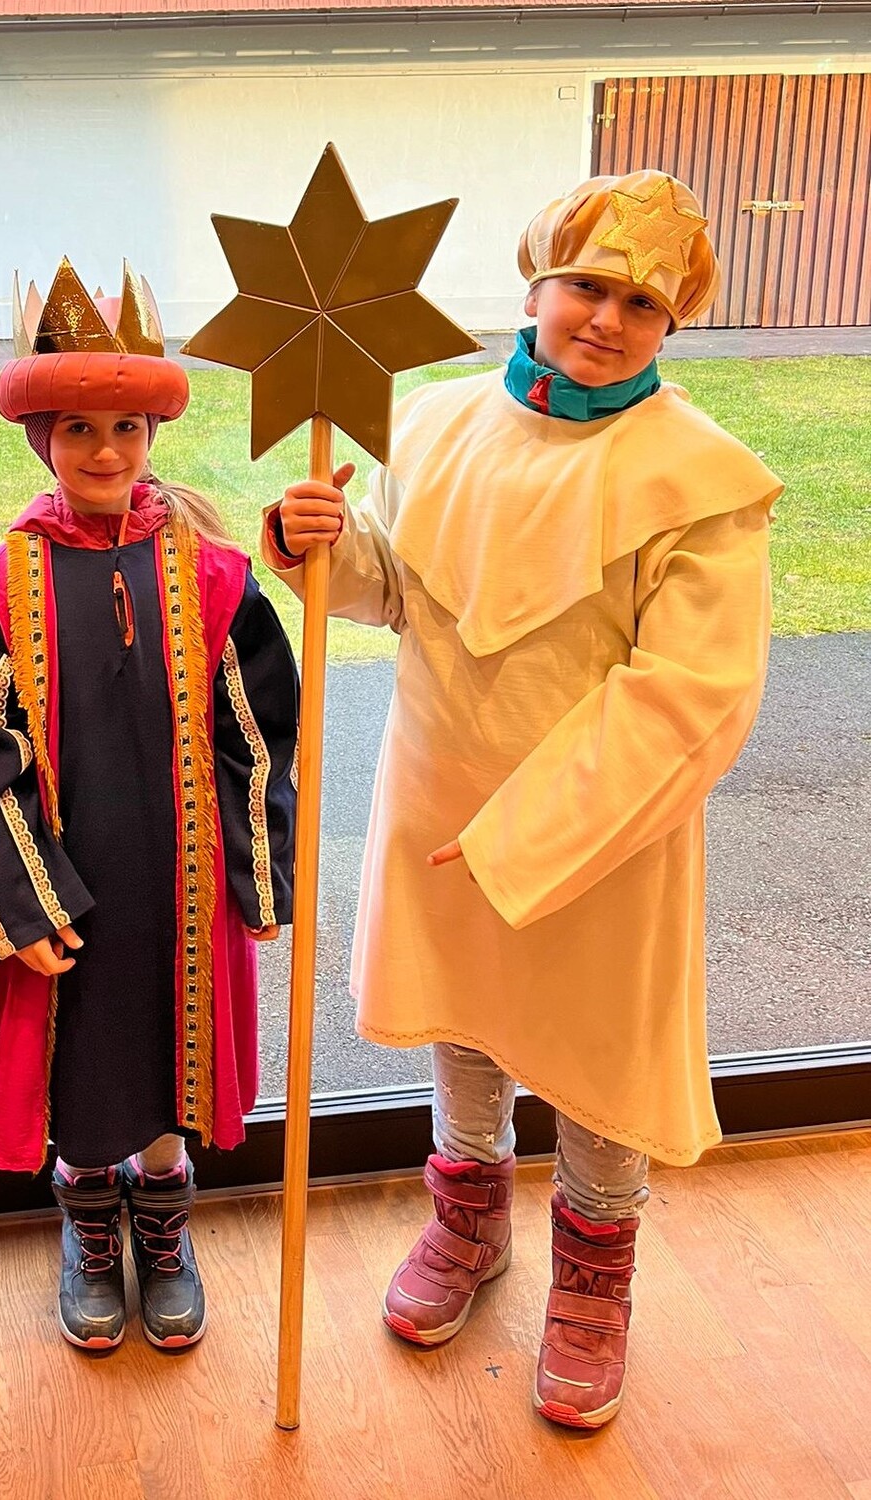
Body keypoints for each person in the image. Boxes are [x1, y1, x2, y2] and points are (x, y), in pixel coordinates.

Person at [267, 171, 782, 1428]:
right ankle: (467, 1220)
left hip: (598, 826)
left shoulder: (699, 480)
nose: (605, 319)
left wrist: (531, 831)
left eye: (641, 304)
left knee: (594, 1049)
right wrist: (319, 544)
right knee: (465, 1017)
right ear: (536, 285)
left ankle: (594, 1277)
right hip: (439, 789)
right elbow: (395, 592)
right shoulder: (434, 425)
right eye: (585, 287)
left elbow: (692, 693)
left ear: (672, 323)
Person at [0, 260, 298, 1351]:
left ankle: (164, 1228)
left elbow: (256, 734)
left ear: (152, 434)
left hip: (182, 886)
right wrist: (26, 904)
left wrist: (258, 876)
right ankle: (91, 1228)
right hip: (69, 886)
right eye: (80, 430)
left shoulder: (215, 579)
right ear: (41, 437)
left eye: (126, 430)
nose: (105, 452)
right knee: (83, 1065)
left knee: (172, 1060)